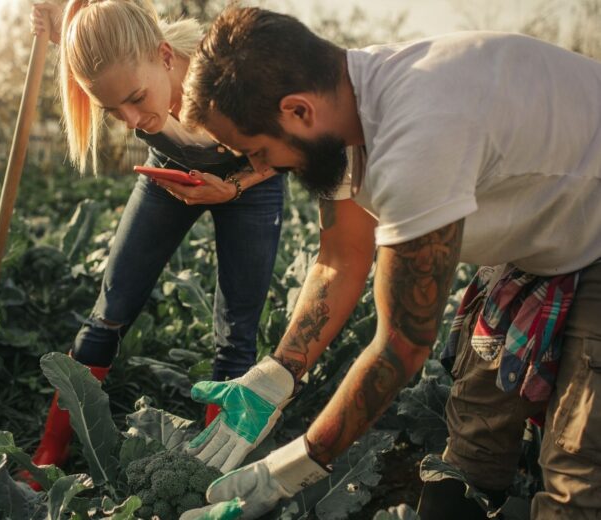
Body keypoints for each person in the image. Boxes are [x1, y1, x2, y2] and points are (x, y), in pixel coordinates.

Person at [176, 6, 601, 520]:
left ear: (298, 112)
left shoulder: (419, 132)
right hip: (550, 238)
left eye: (258, 150)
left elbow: (402, 344)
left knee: (576, 476)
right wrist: (276, 376)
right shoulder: (346, 111)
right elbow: (340, 259)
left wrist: (293, 466)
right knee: (475, 430)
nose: (261, 169)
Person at [25, 0, 285, 487]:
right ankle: (50, 452)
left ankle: (212, 471)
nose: (130, 119)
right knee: (109, 310)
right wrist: (59, 28)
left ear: (166, 57)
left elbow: (289, 148)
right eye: (111, 109)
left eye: (136, 99)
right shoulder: (125, 64)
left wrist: (232, 188)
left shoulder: (235, 78)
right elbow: (96, 50)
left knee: (237, 332)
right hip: (170, 179)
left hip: (252, 184)